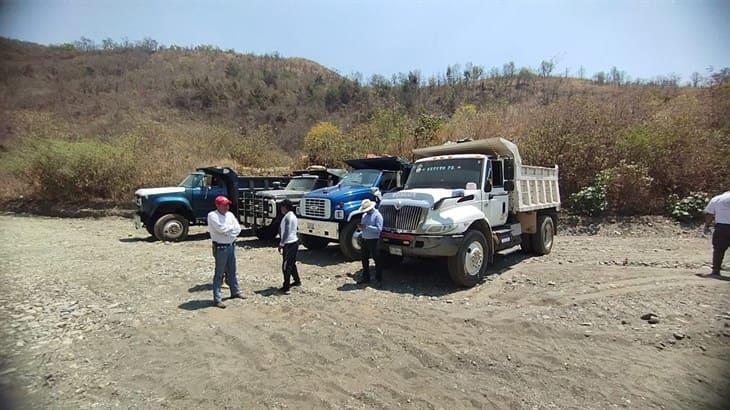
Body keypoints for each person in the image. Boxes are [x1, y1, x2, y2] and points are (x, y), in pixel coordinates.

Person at [207, 195, 245, 308]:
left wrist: (229, 230)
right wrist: (230, 229)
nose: (226, 207)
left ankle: (235, 292)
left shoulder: (230, 215)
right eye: (224, 205)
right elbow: (220, 229)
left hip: (231, 245)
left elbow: (238, 228)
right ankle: (217, 299)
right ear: (217, 205)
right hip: (220, 248)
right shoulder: (212, 215)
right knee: (219, 273)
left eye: (227, 205)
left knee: (232, 270)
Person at [357, 199, 384, 286]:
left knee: (377, 259)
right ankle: (366, 277)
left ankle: (378, 278)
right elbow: (363, 227)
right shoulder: (364, 215)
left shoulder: (377, 216)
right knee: (364, 259)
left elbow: (379, 229)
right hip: (365, 239)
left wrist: (367, 227)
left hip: (374, 240)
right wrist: (361, 229)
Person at [703, 190, 730, 276]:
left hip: (722, 226)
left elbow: (710, 214)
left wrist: (706, 225)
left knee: (719, 249)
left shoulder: (717, 199)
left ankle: (716, 271)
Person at [278, 199, 301, 294]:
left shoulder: (288, 217)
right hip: (294, 242)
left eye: (282, 207)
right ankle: (297, 280)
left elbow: (286, 232)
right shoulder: (293, 216)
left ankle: (286, 287)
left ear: (285, 207)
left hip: (289, 243)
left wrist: (281, 244)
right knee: (292, 263)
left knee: (286, 266)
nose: (281, 209)